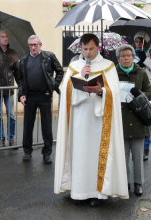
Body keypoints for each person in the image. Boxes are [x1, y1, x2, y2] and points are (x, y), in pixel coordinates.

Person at [54, 33, 128, 207]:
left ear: (98, 47)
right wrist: (80, 76)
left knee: (96, 154)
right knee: (80, 153)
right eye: (85, 49)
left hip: (99, 121)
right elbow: (65, 91)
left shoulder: (108, 66)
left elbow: (115, 92)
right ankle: (79, 191)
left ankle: (97, 193)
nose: (88, 53)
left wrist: (101, 91)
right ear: (81, 47)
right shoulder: (74, 66)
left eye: (91, 49)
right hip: (79, 118)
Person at [19, 35, 64, 164]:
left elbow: (60, 71)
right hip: (30, 97)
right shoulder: (23, 60)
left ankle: (47, 153)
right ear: (28, 46)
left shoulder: (48, 56)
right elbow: (21, 79)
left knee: (47, 126)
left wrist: (53, 87)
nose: (33, 47)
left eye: (35, 44)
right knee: (28, 125)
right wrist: (21, 94)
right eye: (31, 45)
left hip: (45, 96)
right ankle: (27, 152)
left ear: (40, 45)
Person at [116, 44, 151, 196]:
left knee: (138, 156)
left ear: (133, 57)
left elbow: (150, 93)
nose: (126, 58)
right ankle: (124, 183)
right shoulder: (113, 73)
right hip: (121, 119)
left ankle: (138, 184)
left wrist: (139, 94)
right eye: (123, 56)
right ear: (118, 58)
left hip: (138, 119)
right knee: (123, 155)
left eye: (129, 55)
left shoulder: (141, 72)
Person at [133, 31, 151, 161]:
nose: (138, 44)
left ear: (146, 41)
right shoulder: (131, 51)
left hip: (147, 89)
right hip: (133, 89)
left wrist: (146, 60)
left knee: (146, 118)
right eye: (137, 41)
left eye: (141, 41)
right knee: (134, 118)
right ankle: (135, 148)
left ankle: (146, 148)